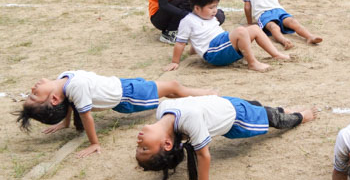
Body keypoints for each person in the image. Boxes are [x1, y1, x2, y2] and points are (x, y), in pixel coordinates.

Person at [136, 95, 316, 180]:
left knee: (257, 106)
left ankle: (283, 109)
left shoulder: (162, 110)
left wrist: (205, 92)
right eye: (145, 148)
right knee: (272, 120)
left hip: (224, 102)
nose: (139, 142)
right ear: (167, 144)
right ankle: (302, 116)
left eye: (139, 148)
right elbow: (203, 155)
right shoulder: (190, 119)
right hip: (237, 119)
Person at [17, 71, 212, 158]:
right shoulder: (75, 86)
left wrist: (65, 123)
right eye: (34, 95)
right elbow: (85, 115)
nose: (33, 88)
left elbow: (69, 104)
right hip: (128, 96)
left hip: (123, 85)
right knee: (173, 88)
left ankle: (202, 95)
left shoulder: (63, 81)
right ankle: (207, 94)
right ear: (53, 100)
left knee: (169, 90)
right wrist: (95, 143)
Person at [167, 0, 290, 72]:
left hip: (221, 43)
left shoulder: (209, 16)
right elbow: (180, 43)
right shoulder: (187, 21)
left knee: (255, 28)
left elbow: (201, 35)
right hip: (214, 53)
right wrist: (175, 62)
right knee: (241, 31)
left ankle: (276, 54)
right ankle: (252, 63)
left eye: (216, 6)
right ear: (197, 8)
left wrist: (194, 49)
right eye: (211, 7)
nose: (215, 10)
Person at [244, 0, 322, 49]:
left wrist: (250, 23)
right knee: (273, 27)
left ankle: (310, 36)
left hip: (278, 9)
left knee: (292, 21)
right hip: (263, 13)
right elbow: (247, 6)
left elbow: (277, 1)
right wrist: (250, 23)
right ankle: (284, 41)